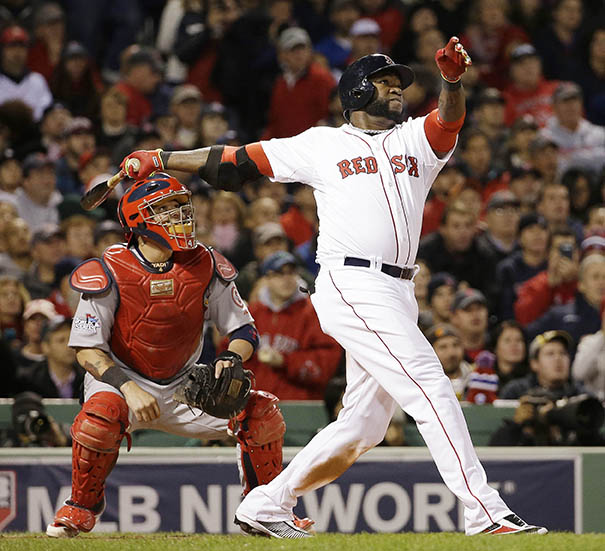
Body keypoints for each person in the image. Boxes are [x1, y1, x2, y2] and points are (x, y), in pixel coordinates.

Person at [121, 38, 546, 537]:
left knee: (363, 426)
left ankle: (266, 503)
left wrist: (451, 83)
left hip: (398, 290)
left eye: (399, 85)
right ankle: (485, 511)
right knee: (431, 385)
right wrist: (163, 157)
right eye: (386, 82)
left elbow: (447, 121)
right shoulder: (323, 144)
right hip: (352, 281)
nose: (396, 91)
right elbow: (234, 162)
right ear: (358, 89)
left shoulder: (413, 141)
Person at [45, 173, 297, 538]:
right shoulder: (109, 268)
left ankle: (265, 510)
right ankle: (82, 505)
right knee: (100, 416)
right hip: (120, 379)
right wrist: (128, 387)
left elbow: (244, 330)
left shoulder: (206, 262)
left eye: (181, 207)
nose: (180, 216)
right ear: (138, 219)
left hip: (184, 384)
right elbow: (87, 349)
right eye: (165, 210)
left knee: (262, 413)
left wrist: (232, 358)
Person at [243, 251, 342, 400]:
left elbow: (327, 362)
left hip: (300, 405)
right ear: (266, 279)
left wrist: (285, 361)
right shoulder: (253, 312)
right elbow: (231, 354)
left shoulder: (312, 312)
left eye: (291, 273)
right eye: (279, 274)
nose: (286, 279)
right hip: (255, 404)